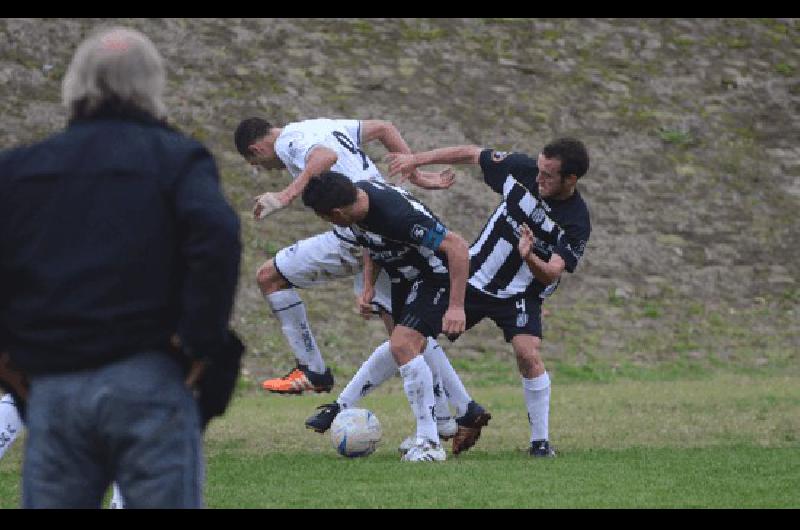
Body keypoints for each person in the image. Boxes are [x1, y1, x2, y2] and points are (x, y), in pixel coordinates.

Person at [0, 26, 241, 508]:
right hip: (149, 376)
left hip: (56, 385)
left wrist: (7, 352)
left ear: (74, 84)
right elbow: (216, 236)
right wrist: (197, 339)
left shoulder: (20, 169)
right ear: (152, 85)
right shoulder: (178, 160)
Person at [232, 116, 465, 439]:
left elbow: (324, 157)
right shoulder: (319, 124)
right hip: (377, 223)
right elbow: (384, 127)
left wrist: (285, 196)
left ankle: (312, 368)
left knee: (269, 276)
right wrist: (417, 175)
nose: (262, 169)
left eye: (256, 162)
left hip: (358, 232)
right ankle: (457, 413)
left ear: (256, 149)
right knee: (404, 334)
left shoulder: (288, 143)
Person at [386, 138, 591, 457]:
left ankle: (540, 444)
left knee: (528, 353)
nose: (539, 179)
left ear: (571, 180)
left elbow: (552, 272)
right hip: (473, 277)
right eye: (539, 170)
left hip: (521, 293)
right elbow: (470, 153)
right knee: (410, 337)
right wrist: (415, 159)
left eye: (549, 175)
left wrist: (529, 257)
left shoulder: (577, 220)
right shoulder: (522, 171)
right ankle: (439, 424)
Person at [300, 172, 475, 461]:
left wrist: (456, 306)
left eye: (325, 218)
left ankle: (429, 443)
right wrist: (368, 287)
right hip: (404, 277)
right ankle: (440, 425)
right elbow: (371, 244)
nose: (327, 223)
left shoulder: (397, 215)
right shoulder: (356, 207)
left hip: (435, 275)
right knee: (403, 348)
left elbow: (456, 247)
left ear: (336, 212)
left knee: (402, 345)